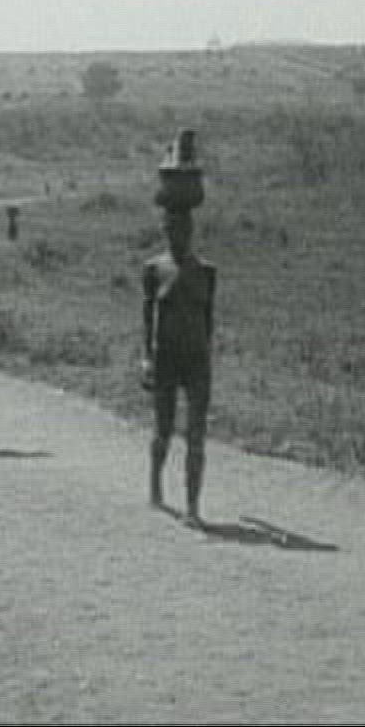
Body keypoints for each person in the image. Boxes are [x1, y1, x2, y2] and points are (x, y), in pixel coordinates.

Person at [141, 205, 217, 529]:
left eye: (184, 230)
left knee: (196, 435)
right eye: (172, 230)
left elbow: (208, 318)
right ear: (165, 231)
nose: (179, 236)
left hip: (197, 360)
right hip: (166, 358)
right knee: (163, 429)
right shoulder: (154, 269)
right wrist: (146, 358)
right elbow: (148, 318)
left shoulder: (207, 272)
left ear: (192, 231)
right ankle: (155, 486)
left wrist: (207, 354)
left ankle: (192, 506)